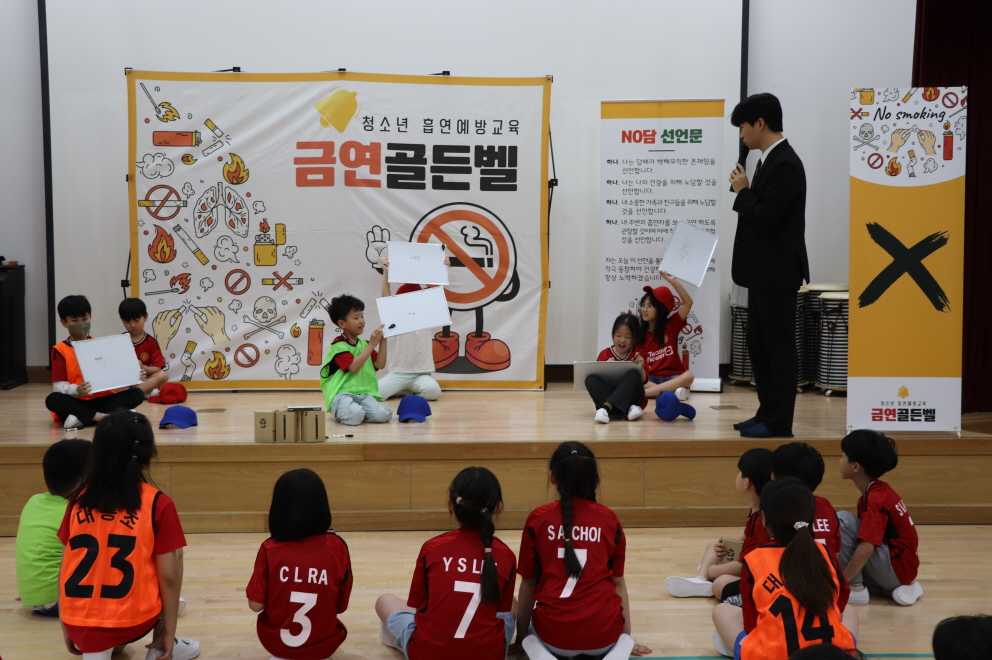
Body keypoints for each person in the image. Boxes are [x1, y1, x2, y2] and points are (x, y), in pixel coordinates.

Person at [58, 411, 198, 660]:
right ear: (148, 453)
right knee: (170, 572)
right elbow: (169, 576)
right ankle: (160, 646)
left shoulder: (77, 500)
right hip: (132, 622)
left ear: (96, 453)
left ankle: (103, 646)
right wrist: (169, 629)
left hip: (76, 621)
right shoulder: (158, 503)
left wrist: (67, 622)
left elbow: (65, 567)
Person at [514, 441, 651, 659]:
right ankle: (619, 648)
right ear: (595, 480)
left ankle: (537, 649)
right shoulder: (609, 520)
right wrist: (625, 637)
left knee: (529, 634)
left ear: (552, 477)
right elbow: (618, 582)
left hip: (552, 639)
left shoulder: (538, 519)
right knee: (615, 631)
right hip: (604, 639)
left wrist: (521, 637)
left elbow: (529, 583)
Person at [728, 93, 809, 439]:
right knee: (759, 344)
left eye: (743, 127)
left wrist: (743, 191)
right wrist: (745, 191)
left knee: (778, 348)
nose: (742, 135)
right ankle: (767, 411)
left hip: (777, 274)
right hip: (762, 273)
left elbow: (768, 217)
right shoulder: (768, 161)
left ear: (760, 124)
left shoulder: (786, 164)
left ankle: (779, 422)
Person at [376, 466, 516, 660]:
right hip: (489, 655)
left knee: (385, 601)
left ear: (450, 504)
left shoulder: (433, 548)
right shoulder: (505, 555)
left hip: (427, 654)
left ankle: (400, 640)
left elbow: (419, 608)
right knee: (511, 607)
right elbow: (502, 610)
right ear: (497, 508)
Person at [712, 477, 857, 660]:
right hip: (830, 654)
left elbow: (751, 624)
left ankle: (736, 648)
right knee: (850, 611)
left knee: (722, 611)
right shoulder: (825, 553)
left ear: (764, 519)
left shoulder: (754, 559)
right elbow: (841, 604)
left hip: (771, 655)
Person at [247, 468, 352, 660]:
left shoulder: (269, 548)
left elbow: (255, 605)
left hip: (276, 646)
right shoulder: (337, 546)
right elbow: (341, 606)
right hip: (323, 648)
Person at [665, 448, 773, 599]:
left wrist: (714, 570)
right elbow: (747, 537)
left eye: (740, 472)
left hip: (758, 571)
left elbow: (747, 564)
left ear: (746, 482)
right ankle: (701, 579)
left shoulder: (763, 518)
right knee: (716, 544)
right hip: (751, 564)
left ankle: (708, 577)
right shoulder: (758, 508)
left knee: (721, 582)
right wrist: (726, 543)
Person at [837, 430, 922, 606]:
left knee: (843, 520)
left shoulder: (875, 498)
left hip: (896, 567)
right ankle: (894, 589)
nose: (839, 460)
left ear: (855, 467)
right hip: (903, 568)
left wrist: (841, 582)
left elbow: (866, 548)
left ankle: (854, 589)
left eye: (842, 456)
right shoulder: (879, 490)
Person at [15, 438, 91, 617]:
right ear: (85, 480)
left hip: (33, 597)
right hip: (59, 599)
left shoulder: (34, 501)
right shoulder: (77, 512)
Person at [46, 295, 145, 429]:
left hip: (103, 400)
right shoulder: (60, 350)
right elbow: (59, 386)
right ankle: (106, 417)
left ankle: (83, 418)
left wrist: (134, 376)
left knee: (137, 394)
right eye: (75, 321)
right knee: (53, 399)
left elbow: (114, 377)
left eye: (85, 319)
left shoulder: (99, 344)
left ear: (90, 317)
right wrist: (77, 390)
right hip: (78, 400)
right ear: (64, 322)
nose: (81, 324)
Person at [376, 256, 449, 401]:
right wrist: (385, 272)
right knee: (376, 393)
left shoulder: (427, 316)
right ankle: (404, 391)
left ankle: (406, 391)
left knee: (433, 392)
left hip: (421, 374)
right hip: (398, 373)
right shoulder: (397, 318)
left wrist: (443, 268)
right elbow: (386, 298)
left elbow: (437, 293)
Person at [319, 294, 393, 425]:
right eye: (356, 317)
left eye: (362, 316)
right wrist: (372, 345)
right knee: (355, 416)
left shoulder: (364, 344)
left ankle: (355, 411)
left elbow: (380, 364)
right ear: (342, 323)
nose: (361, 321)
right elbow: (353, 367)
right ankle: (345, 409)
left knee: (383, 415)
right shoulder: (338, 345)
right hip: (342, 394)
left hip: (364, 394)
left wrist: (383, 342)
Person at [771, 442, 841, 557]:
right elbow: (836, 552)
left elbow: (755, 558)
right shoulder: (826, 506)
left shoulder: (770, 510)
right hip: (827, 569)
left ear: (774, 477)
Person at [638, 272, 694, 400]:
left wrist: (673, 281)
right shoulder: (639, 333)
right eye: (643, 305)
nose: (644, 309)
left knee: (688, 377)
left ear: (661, 309)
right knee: (635, 376)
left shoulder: (671, 325)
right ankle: (670, 393)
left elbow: (688, 303)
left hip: (672, 377)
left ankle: (646, 394)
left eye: (649, 306)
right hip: (650, 379)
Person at [586, 312, 646, 424]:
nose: (622, 340)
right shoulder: (604, 354)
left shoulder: (638, 353)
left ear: (634, 338)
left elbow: (643, 381)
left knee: (634, 373)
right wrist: (606, 367)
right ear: (613, 334)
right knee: (590, 379)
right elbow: (598, 378)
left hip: (633, 399)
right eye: (618, 336)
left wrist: (640, 366)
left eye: (628, 337)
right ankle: (626, 410)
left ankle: (606, 408)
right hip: (622, 402)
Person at [119, 298, 169, 397]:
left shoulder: (151, 342)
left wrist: (143, 368)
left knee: (163, 375)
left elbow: (157, 368)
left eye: (136, 320)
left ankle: (133, 393)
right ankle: (140, 392)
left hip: (144, 378)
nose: (133, 325)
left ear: (145, 317)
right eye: (127, 322)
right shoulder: (120, 340)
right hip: (126, 381)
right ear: (122, 321)